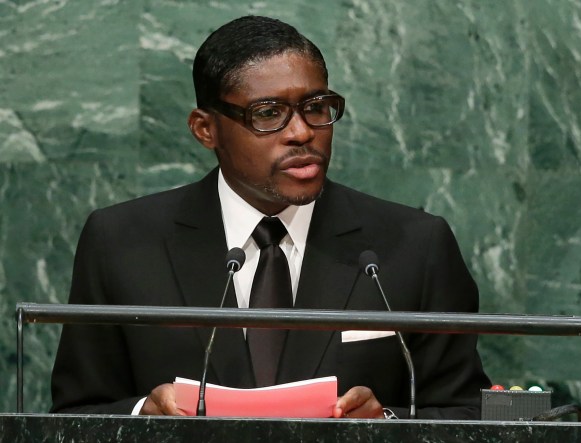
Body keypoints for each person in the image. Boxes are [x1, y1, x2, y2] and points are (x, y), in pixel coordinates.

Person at [50, 15, 489, 419]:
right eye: (268, 114)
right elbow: (75, 412)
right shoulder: (122, 242)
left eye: (317, 107)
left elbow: (466, 412)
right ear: (206, 129)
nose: (302, 132)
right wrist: (143, 413)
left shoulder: (413, 245)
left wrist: (387, 424)